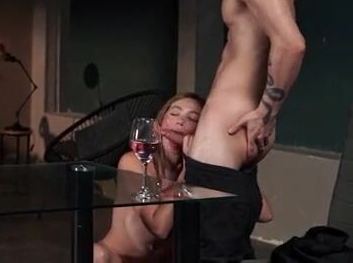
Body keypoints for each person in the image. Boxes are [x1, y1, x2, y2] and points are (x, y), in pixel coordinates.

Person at [159, 0, 305, 261]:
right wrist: (267, 116)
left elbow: (291, 45)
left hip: (226, 136)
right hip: (236, 134)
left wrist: (266, 113)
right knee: (221, 248)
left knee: (208, 251)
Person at [93, 94, 273, 263]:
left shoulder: (198, 172)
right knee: (97, 255)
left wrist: (241, 165)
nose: (181, 121)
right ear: (158, 126)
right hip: (118, 257)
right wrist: (187, 171)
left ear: (201, 134)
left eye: (193, 119)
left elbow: (265, 214)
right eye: (174, 114)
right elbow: (160, 227)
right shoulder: (134, 162)